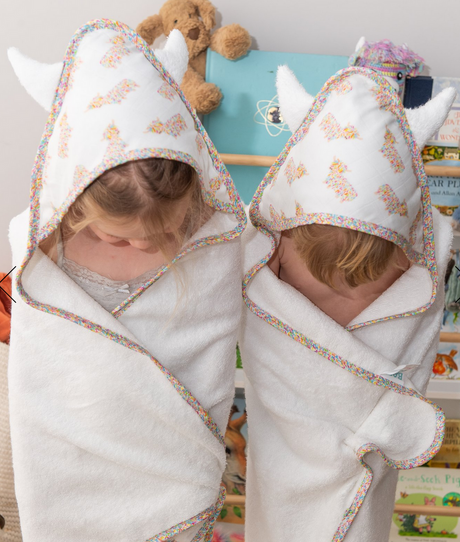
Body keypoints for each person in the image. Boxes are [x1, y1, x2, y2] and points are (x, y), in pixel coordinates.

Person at [7, 21, 246, 542]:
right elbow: (40, 374)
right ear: (74, 203)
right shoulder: (41, 252)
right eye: (117, 237)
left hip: (171, 463)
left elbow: (208, 353)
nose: (140, 247)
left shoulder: (216, 244)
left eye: (163, 234)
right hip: (70, 457)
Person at [239, 65, 455, 542]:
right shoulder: (412, 262)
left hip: (295, 462)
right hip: (352, 446)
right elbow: (436, 241)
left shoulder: (271, 250)